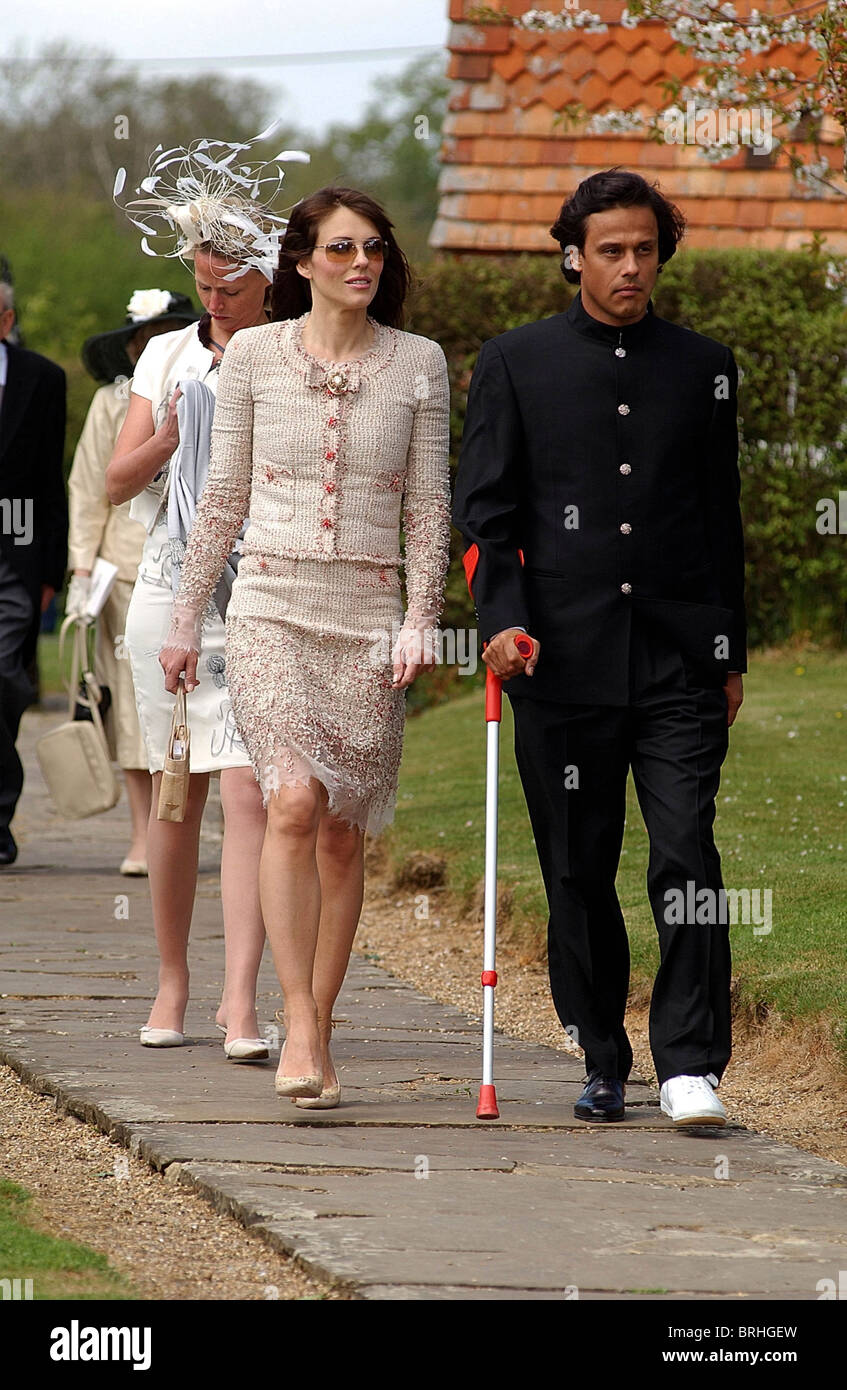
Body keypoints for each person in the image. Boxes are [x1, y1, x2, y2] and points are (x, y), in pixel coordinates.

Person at [453, 169, 746, 1128]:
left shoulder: (703, 365)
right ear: (573, 255)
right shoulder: (515, 362)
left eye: (644, 250)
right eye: (611, 250)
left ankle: (690, 1062)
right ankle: (601, 1055)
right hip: (557, 660)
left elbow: (719, 517)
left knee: (686, 855)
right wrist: (499, 621)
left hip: (678, 663)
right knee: (577, 869)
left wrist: (728, 652)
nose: (629, 267)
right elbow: (486, 514)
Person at [159, 186, 451, 1107]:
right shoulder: (252, 354)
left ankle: (318, 1021)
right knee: (290, 801)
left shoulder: (419, 364)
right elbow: (224, 496)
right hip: (270, 609)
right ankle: (293, 1018)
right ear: (301, 261)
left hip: (368, 615)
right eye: (340, 249)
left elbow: (428, 506)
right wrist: (184, 618)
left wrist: (420, 617)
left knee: (339, 830)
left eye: (373, 249)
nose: (360, 263)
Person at [106, 129, 307, 1057]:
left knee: (253, 794)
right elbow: (117, 482)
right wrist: (172, 438)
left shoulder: (294, 351)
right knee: (175, 791)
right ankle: (172, 981)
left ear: (269, 278)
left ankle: (241, 997)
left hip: (260, 588)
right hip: (169, 589)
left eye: (232, 285)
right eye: (204, 284)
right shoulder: (163, 358)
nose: (216, 300)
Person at [67, 290, 199, 875]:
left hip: (206, 559)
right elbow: (89, 487)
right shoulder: (110, 403)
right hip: (125, 568)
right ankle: (144, 832)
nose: (153, 346)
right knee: (133, 700)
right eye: (143, 338)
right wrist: (81, 570)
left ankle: (194, 823)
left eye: (165, 334)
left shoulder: (210, 383)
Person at [0, 276, 67, 866]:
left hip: (15, 553)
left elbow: (50, 479)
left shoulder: (42, 379)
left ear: (6, 321)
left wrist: (52, 570)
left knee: (4, 679)